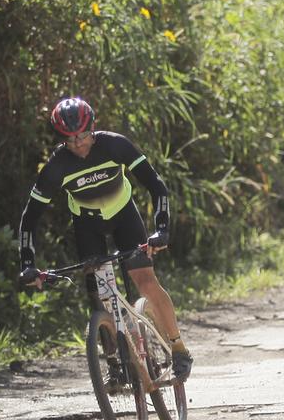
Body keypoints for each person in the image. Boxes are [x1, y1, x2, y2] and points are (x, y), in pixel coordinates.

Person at [17, 97, 193, 382]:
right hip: (87, 225)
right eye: (70, 139)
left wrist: (162, 230)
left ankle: (178, 348)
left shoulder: (115, 145)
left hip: (124, 215)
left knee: (145, 281)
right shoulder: (57, 167)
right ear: (61, 139)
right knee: (100, 295)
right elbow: (30, 217)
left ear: (93, 128)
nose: (79, 144)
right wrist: (28, 264)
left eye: (83, 136)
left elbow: (156, 186)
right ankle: (114, 361)